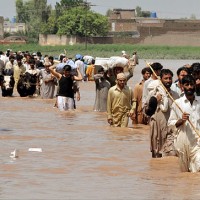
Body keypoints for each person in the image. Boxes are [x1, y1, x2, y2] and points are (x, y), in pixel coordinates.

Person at [168, 75, 200, 172]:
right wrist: (181, 120)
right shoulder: (177, 103)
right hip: (182, 142)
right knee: (185, 172)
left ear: (195, 85)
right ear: (182, 87)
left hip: (197, 142)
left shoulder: (199, 102)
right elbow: (170, 124)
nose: (190, 87)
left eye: (191, 84)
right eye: (187, 85)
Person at [147, 69, 179, 158]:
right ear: (161, 79)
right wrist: (155, 101)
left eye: (170, 78)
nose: (168, 81)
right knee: (157, 155)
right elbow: (147, 112)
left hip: (170, 130)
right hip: (157, 128)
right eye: (166, 78)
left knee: (172, 154)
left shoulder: (175, 95)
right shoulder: (154, 94)